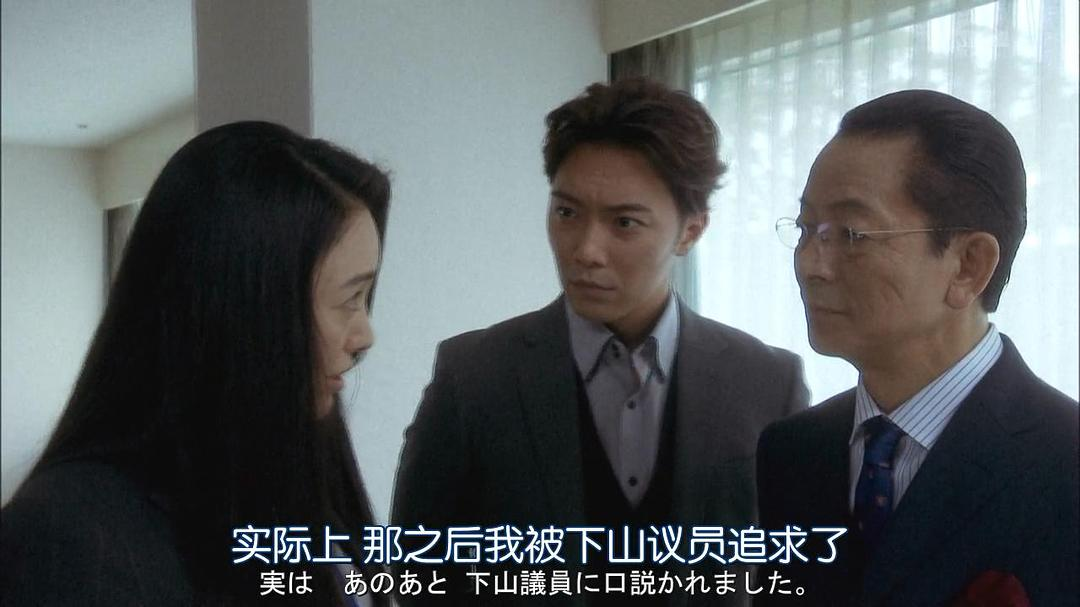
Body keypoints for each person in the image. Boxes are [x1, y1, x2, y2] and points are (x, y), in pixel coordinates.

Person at [392, 78, 809, 607]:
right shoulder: (474, 374)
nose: (586, 250)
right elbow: (416, 568)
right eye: (567, 213)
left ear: (690, 230)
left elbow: (792, 575)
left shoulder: (766, 382)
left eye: (624, 222)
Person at [1, 121, 392, 607]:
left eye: (365, 297)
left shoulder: (293, 480)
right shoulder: (75, 539)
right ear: (244, 309)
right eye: (350, 298)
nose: (364, 336)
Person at [756, 90, 1079, 606]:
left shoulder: (1064, 461)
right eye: (806, 229)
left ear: (969, 265)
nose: (811, 265)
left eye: (852, 234)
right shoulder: (792, 451)